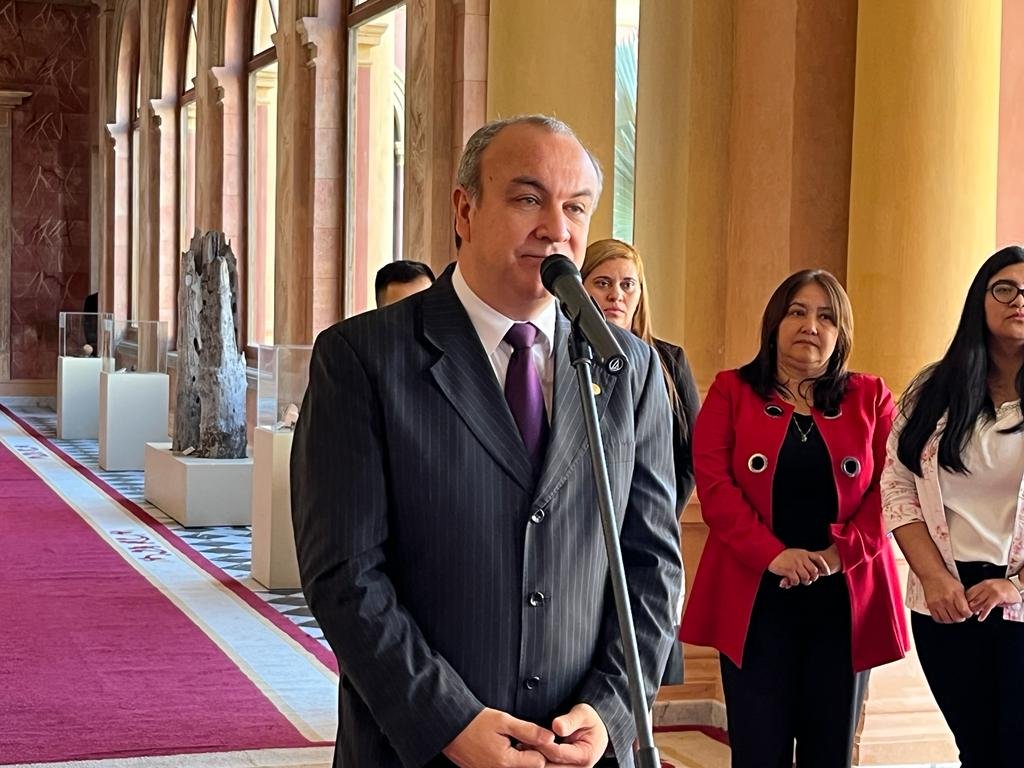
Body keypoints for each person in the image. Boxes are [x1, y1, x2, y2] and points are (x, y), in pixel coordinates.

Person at [290, 115, 682, 768]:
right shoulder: (362, 359)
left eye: (576, 207)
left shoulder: (629, 369)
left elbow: (653, 566)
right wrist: (450, 722)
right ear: (465, 209)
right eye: (528, 198)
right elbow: (345, 577)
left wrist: (609, 708)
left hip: (578, 751)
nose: (556, 228)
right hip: (417, 749)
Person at [679, 269, 908, 768]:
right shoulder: (730, 391)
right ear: (775, 322)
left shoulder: (871, 397)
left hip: (843, 600)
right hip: (756, 598)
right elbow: (715, 488)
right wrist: (774, 555)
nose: (811, 325)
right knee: (759, 749)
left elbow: (890, 491)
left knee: (830, 751)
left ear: (841, 333)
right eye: (798, 312)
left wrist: (835, 555)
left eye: (826, 317)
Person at [881, 245, 1024, 768]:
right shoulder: (933, 389)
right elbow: (897, 483)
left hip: (1018, 597)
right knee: (978, 750)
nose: (1018, 301)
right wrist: (935, 577)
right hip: (948, 600)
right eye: (1004, 288)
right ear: (980, 300)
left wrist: (1017, 585)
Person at [581, 238, 699, 685]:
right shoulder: (566, 356)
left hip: (647, 528)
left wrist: (658, 510)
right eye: (603, 283)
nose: (616, 295)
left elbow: (690, 454)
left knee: (640, 652)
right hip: (585, 533)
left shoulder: (667, 360)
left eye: (628, 284)